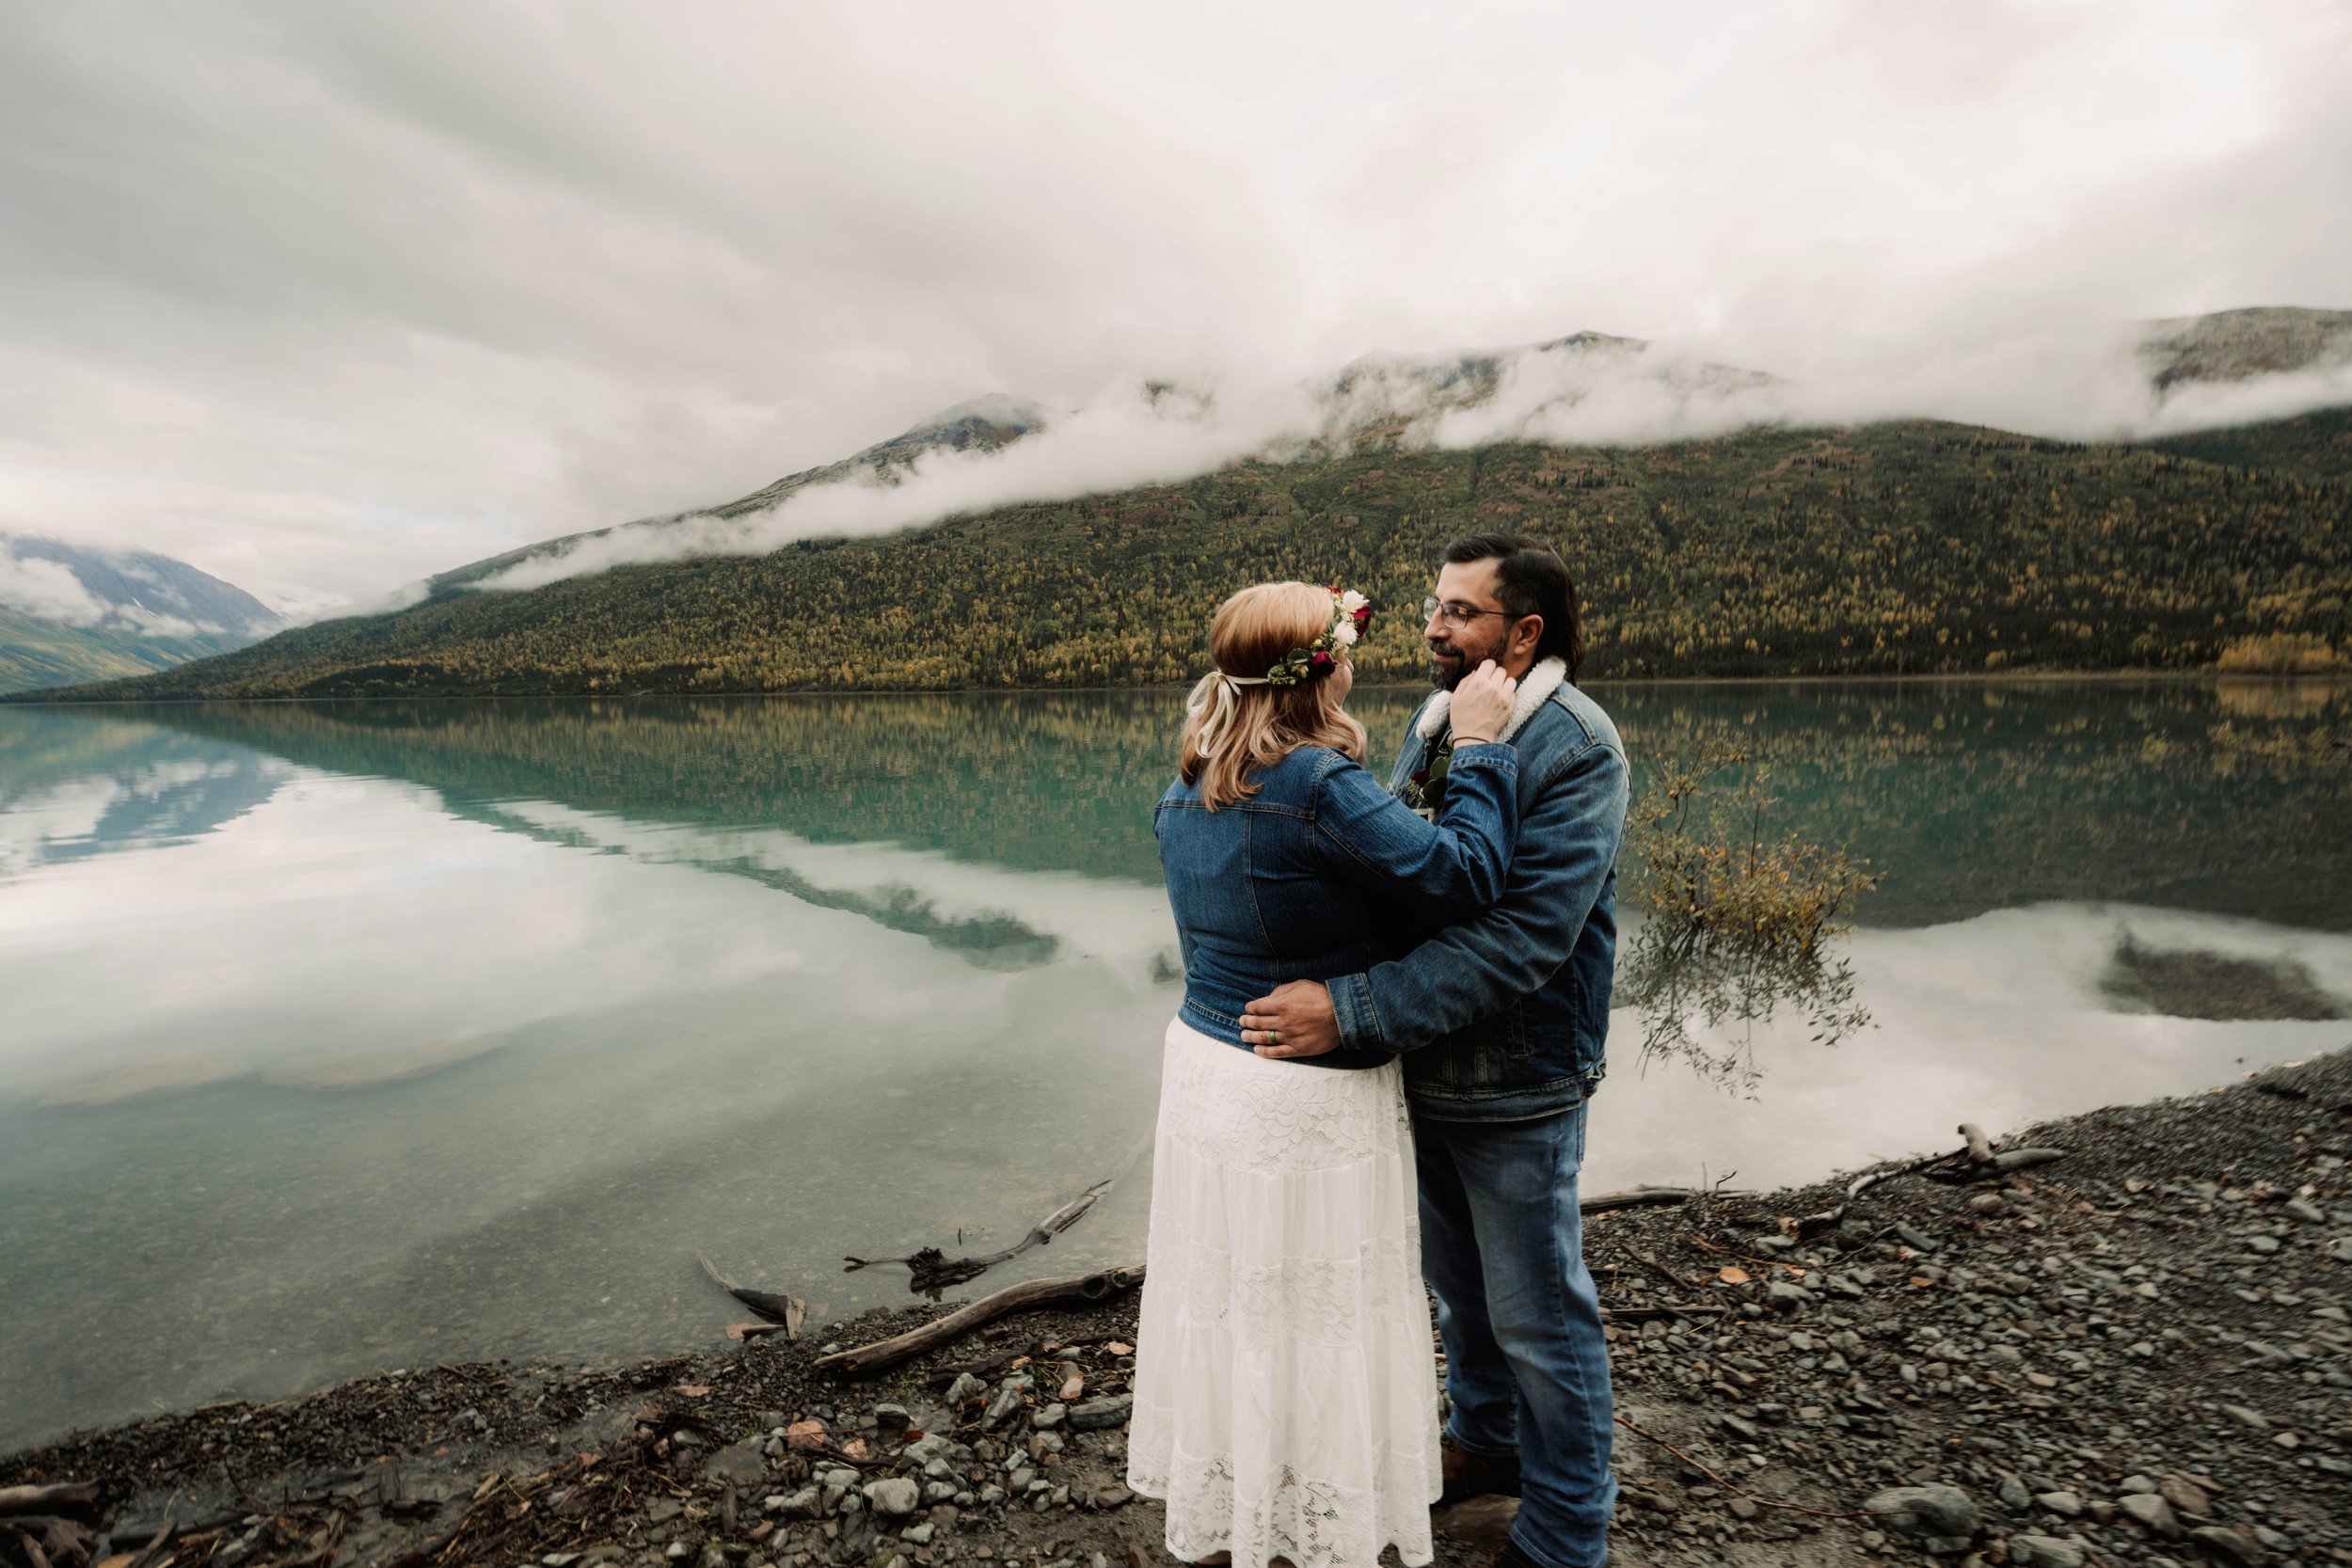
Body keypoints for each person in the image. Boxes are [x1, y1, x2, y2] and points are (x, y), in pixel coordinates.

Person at [1239, 536, 1629, 1568]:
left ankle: (1564, 1530)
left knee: (1539, 1312)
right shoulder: (1434, 723)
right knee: (1461, 1289)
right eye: (1432, 605)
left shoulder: (1576, 747)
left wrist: (1350, 1009)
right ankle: (1489, 1441)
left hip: (1517, 1079)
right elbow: (1417, 875)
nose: (1432, 625)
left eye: (1459, 611)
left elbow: (1522, 941)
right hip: (1422, 1067)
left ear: (1524, 631)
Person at [1125, 579, 1525, 1568]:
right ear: (1326, 667)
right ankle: (1312, 1518)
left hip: (1210, 1068)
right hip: (1301, 1082)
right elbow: (1466, 875)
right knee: (1315, 1303)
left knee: (1232, 1292)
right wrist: (1476, 746)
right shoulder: (1315, 781)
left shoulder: (1194, 774)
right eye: (1344, 644)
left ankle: (1239, 1507)